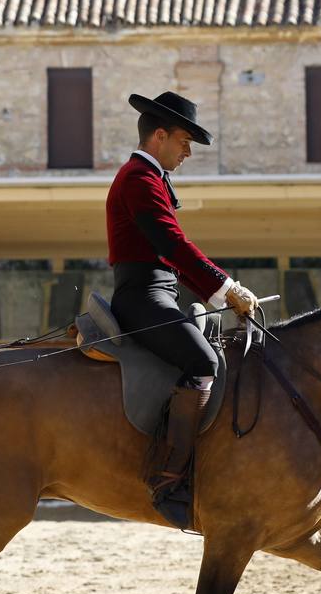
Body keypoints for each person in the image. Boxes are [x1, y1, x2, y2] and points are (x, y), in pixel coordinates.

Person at [106, 90, 260, 529]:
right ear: (159, 135)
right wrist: (227, 288)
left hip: (161, 292)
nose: (188, 151)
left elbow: (173, 254)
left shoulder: (149, 177)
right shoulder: (138, 178)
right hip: (142, 296)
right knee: (203, 359)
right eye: (184, 141)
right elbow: (172, 245)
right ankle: (169, 478)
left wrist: (219, 292)